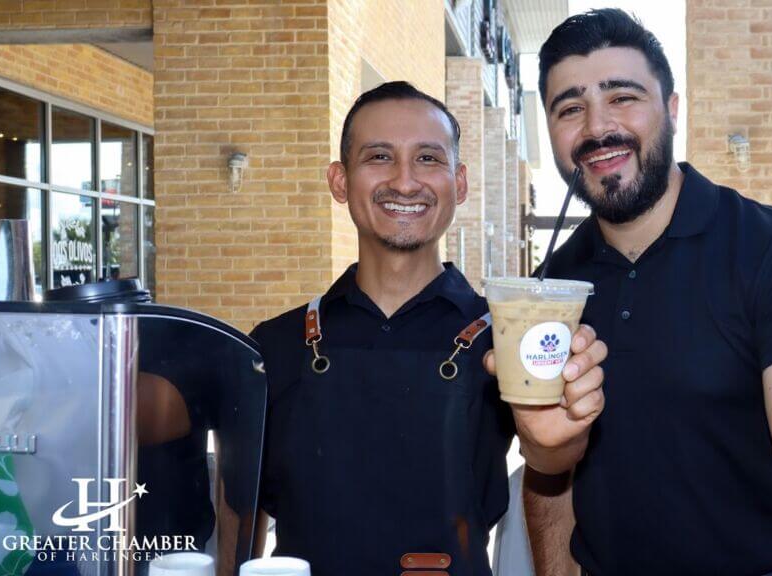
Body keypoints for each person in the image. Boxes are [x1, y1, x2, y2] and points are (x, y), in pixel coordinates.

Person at [521, 9, 772, 576]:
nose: (596, 127)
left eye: (623, 97)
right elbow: (549, 468)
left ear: (673, 111)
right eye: (570, 108)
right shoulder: (551, 286)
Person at [248, 81, 606, 576]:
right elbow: (239, 508)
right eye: (378, 156)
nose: (404, 181)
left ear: (459, 184)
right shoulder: (273, 344)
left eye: (428, 159)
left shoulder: (504, 337)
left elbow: (552, 461)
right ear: (339, 181)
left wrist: (558, 438)